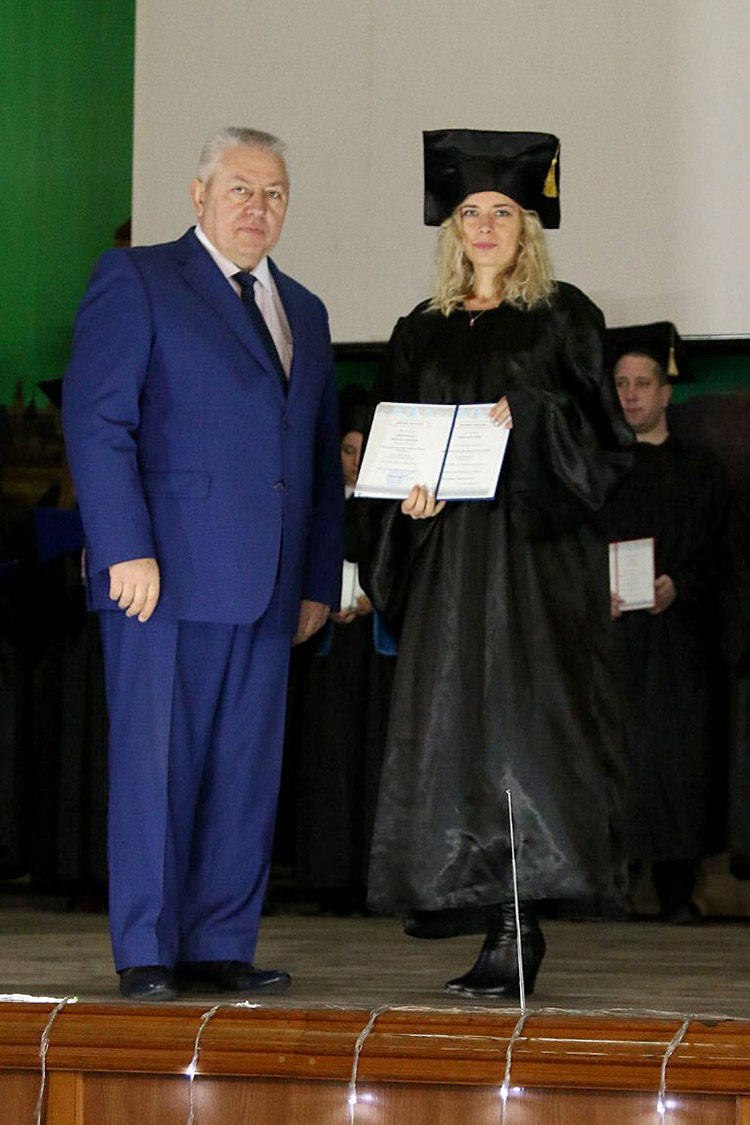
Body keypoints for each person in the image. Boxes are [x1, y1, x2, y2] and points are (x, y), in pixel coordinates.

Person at [62, 127, 343, 1000]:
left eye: (274, 194)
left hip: (270, 583)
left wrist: (317, 578)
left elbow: (316, 455)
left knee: (244, 771)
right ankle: (147, 947)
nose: (258, 208)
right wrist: (123, 547)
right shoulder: (139, 278)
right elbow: (98, 420)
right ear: (198, 196)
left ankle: (220, 941)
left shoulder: (306, 308)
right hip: (164, 578)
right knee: (156, 767)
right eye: (240, 190)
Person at [358, 129, 633, 998]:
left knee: (527, 730)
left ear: (527, 227)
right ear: (453, 226)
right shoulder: (422, 330)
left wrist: (536, 412)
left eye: (502, 212)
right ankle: (492, 919)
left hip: (532, 558)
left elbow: (606, 441)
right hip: (449, 559)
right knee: (457, 732)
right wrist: (406, 500)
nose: (484, 225)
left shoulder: (564, 317)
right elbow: (396, 440)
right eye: (471, 211)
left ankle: (521, 924)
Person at [604, 323, 728, 922]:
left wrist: (679, 583)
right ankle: (611, 888)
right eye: (621, 383)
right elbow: (572, 548)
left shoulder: (700, 470)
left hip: (678, 640)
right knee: (613, 755)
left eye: (643, 383)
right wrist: (593, 590)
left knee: (678, 759)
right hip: (612, 639)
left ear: (666, 392)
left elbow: (722, 552)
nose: (631, 395)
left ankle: (678, 891)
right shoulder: (599, 472)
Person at [291, 384, 394, 913]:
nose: (354, 460)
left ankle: (376, 882)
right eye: (347, 450)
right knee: (328, 763)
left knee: (376, 762)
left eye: (363, 450)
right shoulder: (315, 502)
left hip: (376, 654)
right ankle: (326, 879)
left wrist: (380, 597)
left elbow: (410, 567)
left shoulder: (395, 507)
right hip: (328, 651)